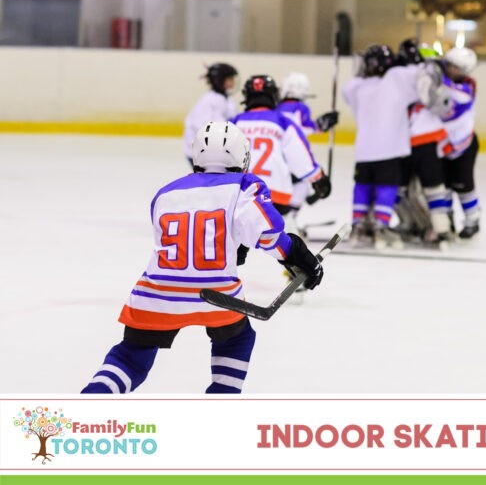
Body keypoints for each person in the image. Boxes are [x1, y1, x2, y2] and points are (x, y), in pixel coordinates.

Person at [81, 122, 324, 394]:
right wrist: (297, 255)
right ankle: (219, 403)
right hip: (216, 294)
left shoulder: (167, 191)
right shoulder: (243, 186)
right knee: (237, 339)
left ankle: (94, 399)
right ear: (242, 156)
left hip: (157, 291)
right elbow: (267, 234)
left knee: (131, 355)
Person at [342, 44, 432, 250]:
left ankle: (358, 225)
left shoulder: (355, 86)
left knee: (362, 186)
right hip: (390, 148)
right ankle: (381, 226)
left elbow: (346, 93)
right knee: (387, 186)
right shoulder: (397, 77)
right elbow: (422, 73)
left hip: (364, 149)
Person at [231, 75, 331, 231]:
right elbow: (300, 158)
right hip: (274, 196)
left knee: (234, 242)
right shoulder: (283, 122)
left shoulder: (234, 122)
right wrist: (318, 177)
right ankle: (293, 247)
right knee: (287, 243)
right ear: (273, 96)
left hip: (239, 196)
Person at [395, 39, 451, 243]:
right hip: (423, 139)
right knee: (432, 187)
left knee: (402, 188)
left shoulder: (396, 74)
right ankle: (439, 227)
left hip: (406, 141)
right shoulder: (430, 70)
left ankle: (412, 224)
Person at [277, 72, 339, 233]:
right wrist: (320, 125)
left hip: (277, 157)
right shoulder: (301, 107)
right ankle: (289, 220)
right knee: (302, 185)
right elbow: (302, 129)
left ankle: (281, 218)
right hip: (292, 157)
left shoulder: (277, 107)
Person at [437, 47, 481, 239]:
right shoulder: (442, 80)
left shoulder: (467, 87)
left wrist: (433, 72)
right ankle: (447, 221)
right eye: (450, 65)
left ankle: (473, 220)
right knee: (444, 187)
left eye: (457, 68)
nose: (451, 70)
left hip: (463, 146)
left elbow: (452, 91)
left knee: (463, 186)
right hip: (442, 144)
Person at [183, 63, 239, 168]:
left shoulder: (226, 99)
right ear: (220, 81)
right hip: (199, 154)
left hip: (211, 153)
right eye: (230, 78)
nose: (233, 81)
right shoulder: (210, 100)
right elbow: (203, 127)